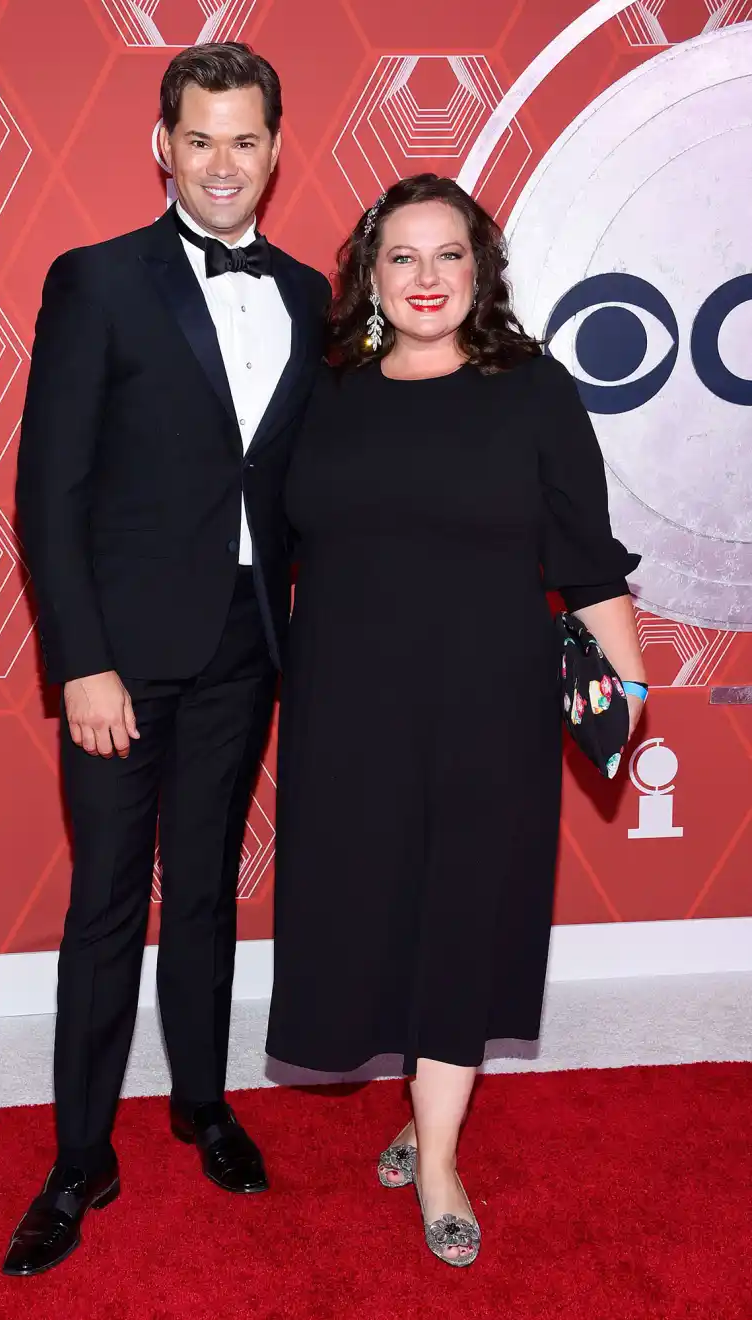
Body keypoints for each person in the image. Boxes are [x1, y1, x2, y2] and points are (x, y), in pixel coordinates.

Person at [265, 173, 647, 1268]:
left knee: (466, 914)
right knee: (373, 909)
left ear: (479, 272)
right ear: (370, 276)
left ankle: (436, 1157)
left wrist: (628, 694)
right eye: (403, 257)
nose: (426, 277)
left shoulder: (534, 390)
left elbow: (588, 559)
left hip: (490, 699)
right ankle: (419, 1102)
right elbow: (274, 536)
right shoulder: (326, 392)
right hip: (347, 703)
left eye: (448, 256)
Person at [4, 43, 330, 1276]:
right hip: (123, 661)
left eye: (246, 139)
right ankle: (80, 1155)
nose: (224, 162)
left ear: (275, 149)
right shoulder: (96, 282)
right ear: (163, 146)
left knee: (203, 894)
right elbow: (50, 489)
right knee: (105, 908)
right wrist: (80, 662)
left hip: (248, 644)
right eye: (201, 138)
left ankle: (203, 1102)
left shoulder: (307, 293)